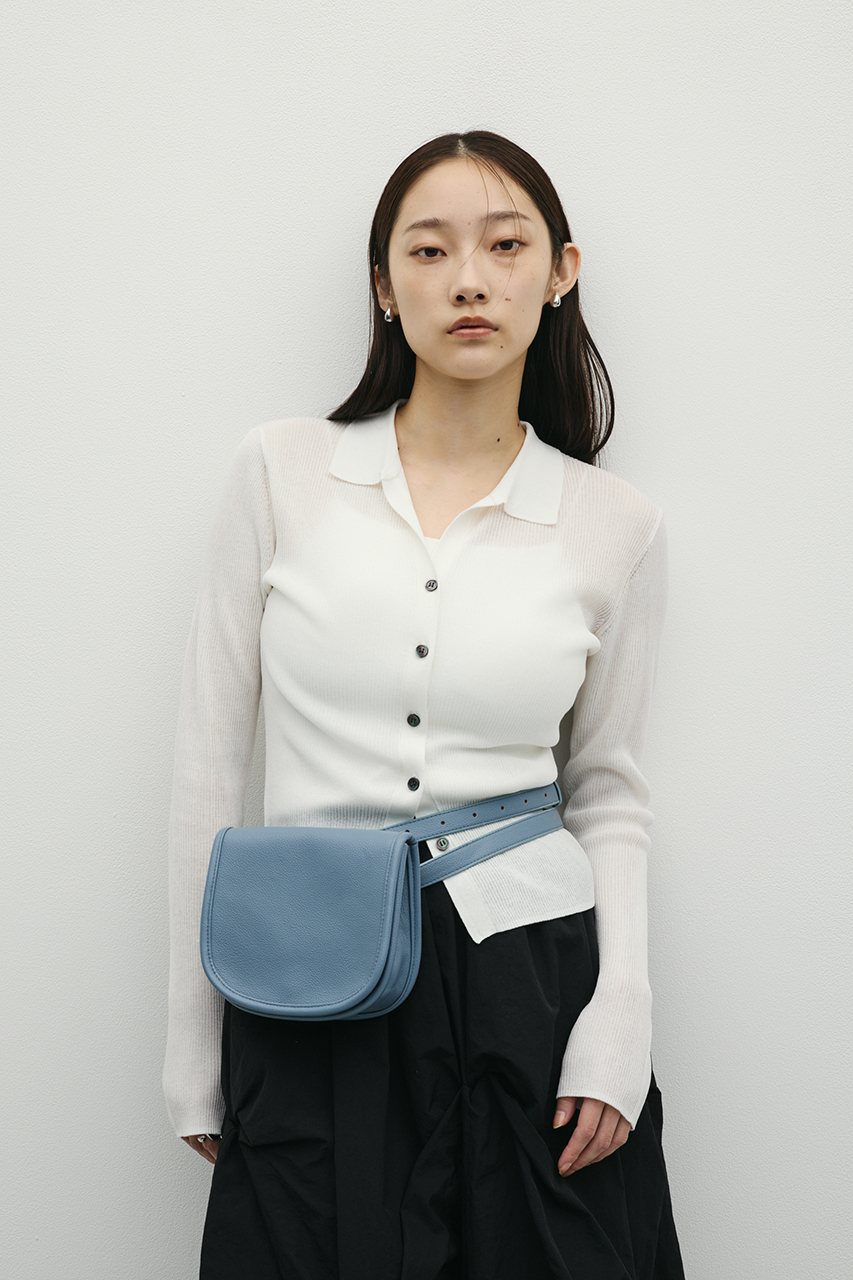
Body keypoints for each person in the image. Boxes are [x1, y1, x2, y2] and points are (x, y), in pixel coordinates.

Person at [163, 130, 685, 1279]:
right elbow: (209, 766)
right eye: (430, 249)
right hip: (310, 982)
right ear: (384, 285)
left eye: (506, 246)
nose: (469, 280)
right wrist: (192, 1042)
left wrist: (622, 1014)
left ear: (560, 272)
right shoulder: (280, 471)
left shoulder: (616, 524)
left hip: (532, 985)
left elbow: (608, 790)